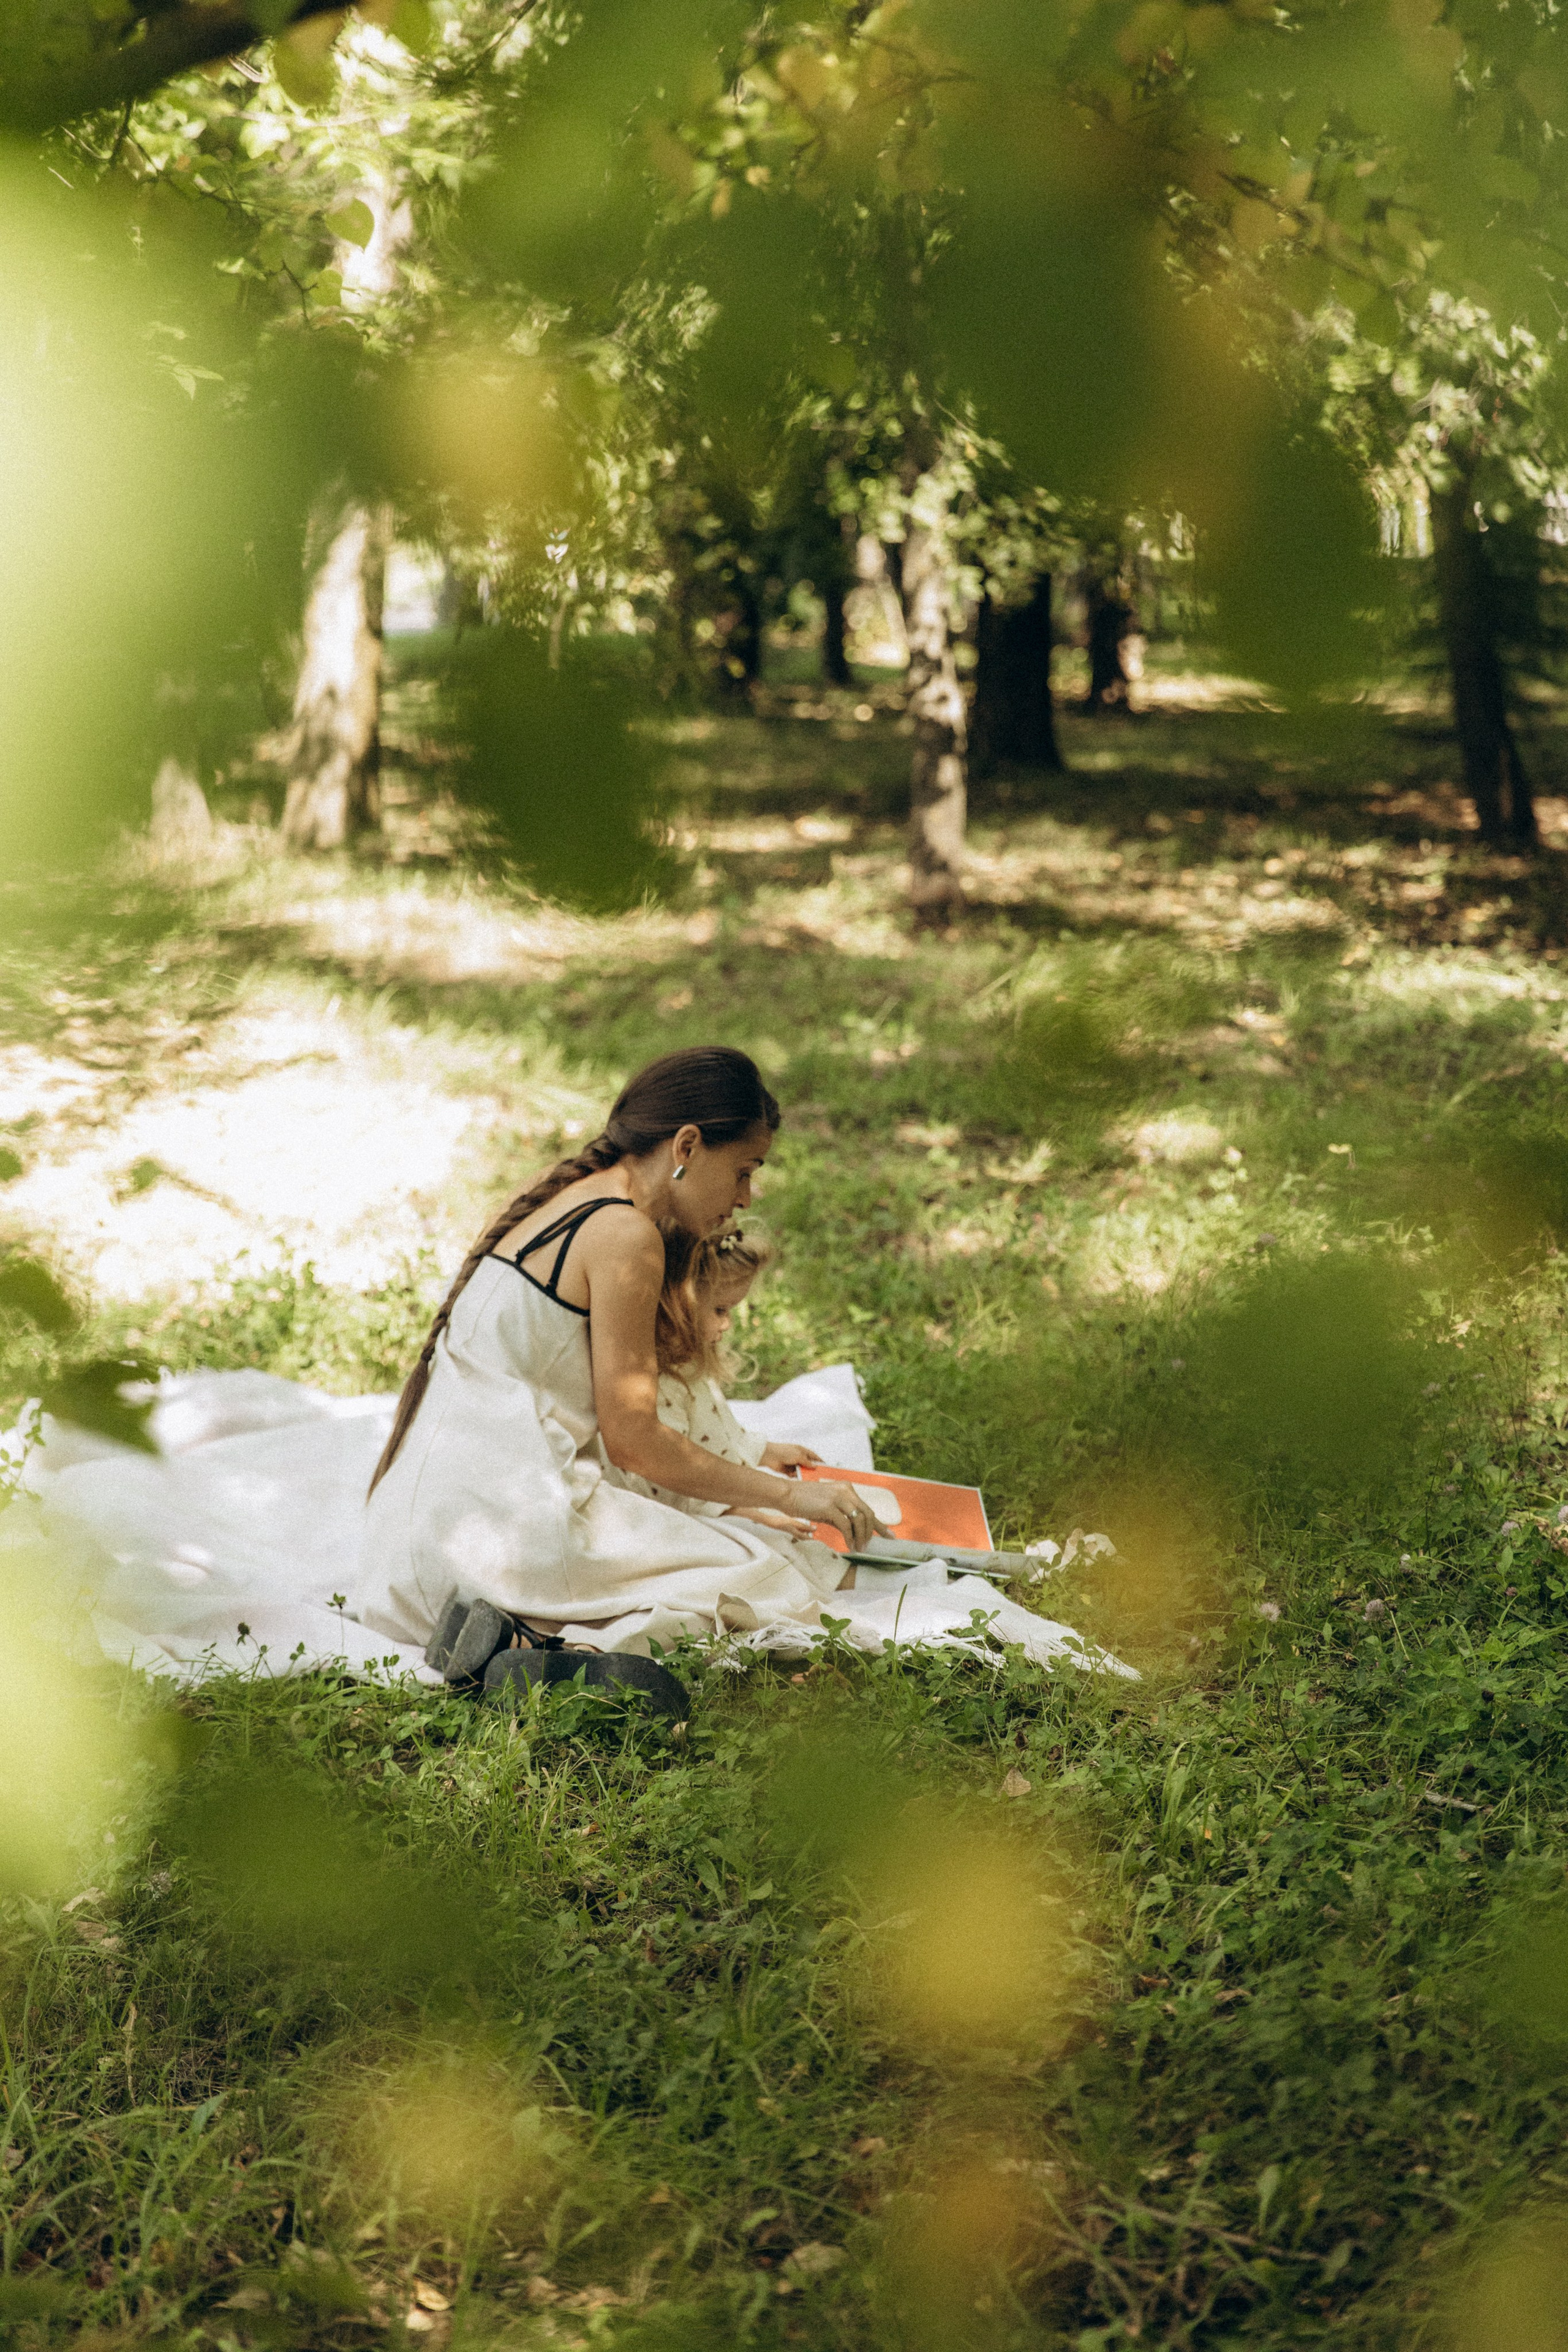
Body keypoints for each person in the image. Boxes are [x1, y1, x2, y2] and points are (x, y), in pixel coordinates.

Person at [351, 1047, 886, 1700]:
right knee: (770, 1577)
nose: (745, 1198)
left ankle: (520, 1640)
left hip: (410, 1552)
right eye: (744, 1172)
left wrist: (744, 1466)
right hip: (497, 1538)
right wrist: (787, 1496)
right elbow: (635, 1439)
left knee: (731, 1554)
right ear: (687, 1145)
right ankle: (544, 1651)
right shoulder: (627, 1236)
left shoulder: (572, 1199)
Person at [637, 1226, 823, 1532]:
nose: (726, 1324)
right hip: (670, 1515)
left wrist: (766, 1452)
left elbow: (710, 1433)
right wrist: (752, 1516)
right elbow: (675, 1485)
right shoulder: (660, 1387)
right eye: (720, 1310)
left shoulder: (687, 1362)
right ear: (679, 1302)